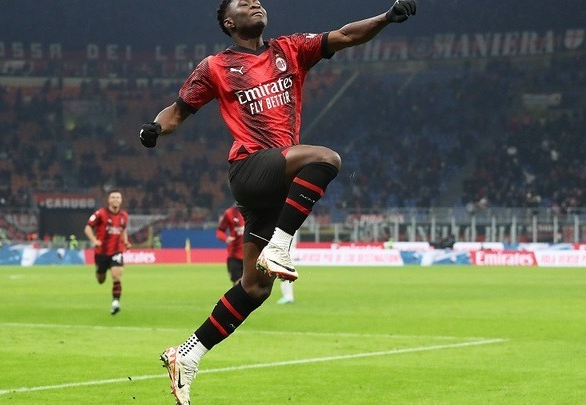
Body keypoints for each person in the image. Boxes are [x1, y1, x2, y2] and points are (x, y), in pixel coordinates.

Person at [139, 1, 418, 403]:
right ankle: (280, 247)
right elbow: (179, 111)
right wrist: (154, 128)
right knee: (326, 159)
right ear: (229, 22)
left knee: (255, 288)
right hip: (250, 169)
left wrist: (386, 18)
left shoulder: (290, 49)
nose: (255, 2)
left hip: (277, 183)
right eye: (243, 2)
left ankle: (187, 354)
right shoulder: (215, 66)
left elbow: (345, 35)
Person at [84, 190, 131, 315]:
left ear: (121, 200)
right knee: (101, 279)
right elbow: (88, 228)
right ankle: (99, 271)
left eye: (118, 197)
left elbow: (123, 230)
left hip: (117, 251)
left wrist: (125, 241)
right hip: (101, 252)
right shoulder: (100, 213)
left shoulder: (124, 215)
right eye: (113, 197)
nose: (116, 199)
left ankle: (115, 302)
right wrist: (94, 240)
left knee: (116, 276)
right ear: (109, 200)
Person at [215, 204, 245, 285]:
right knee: (238, 283)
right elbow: (220, 231)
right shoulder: (230, 212)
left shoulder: (255, 211)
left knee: (251, 285)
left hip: (251, 256)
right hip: (234, 255)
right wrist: (226, 238)